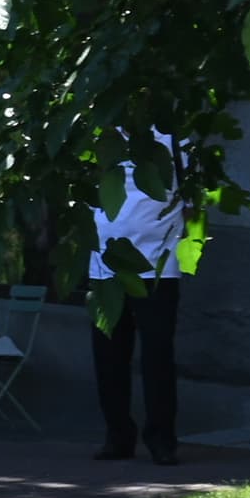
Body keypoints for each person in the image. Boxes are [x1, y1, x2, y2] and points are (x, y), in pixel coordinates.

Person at [89, 138, 188, 465]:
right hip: (105, 264)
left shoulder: (173, 135)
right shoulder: (99, 129)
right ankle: (117, 435)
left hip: (158, 264)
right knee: (109, 355)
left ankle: (161, 439)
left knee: (157, 354)